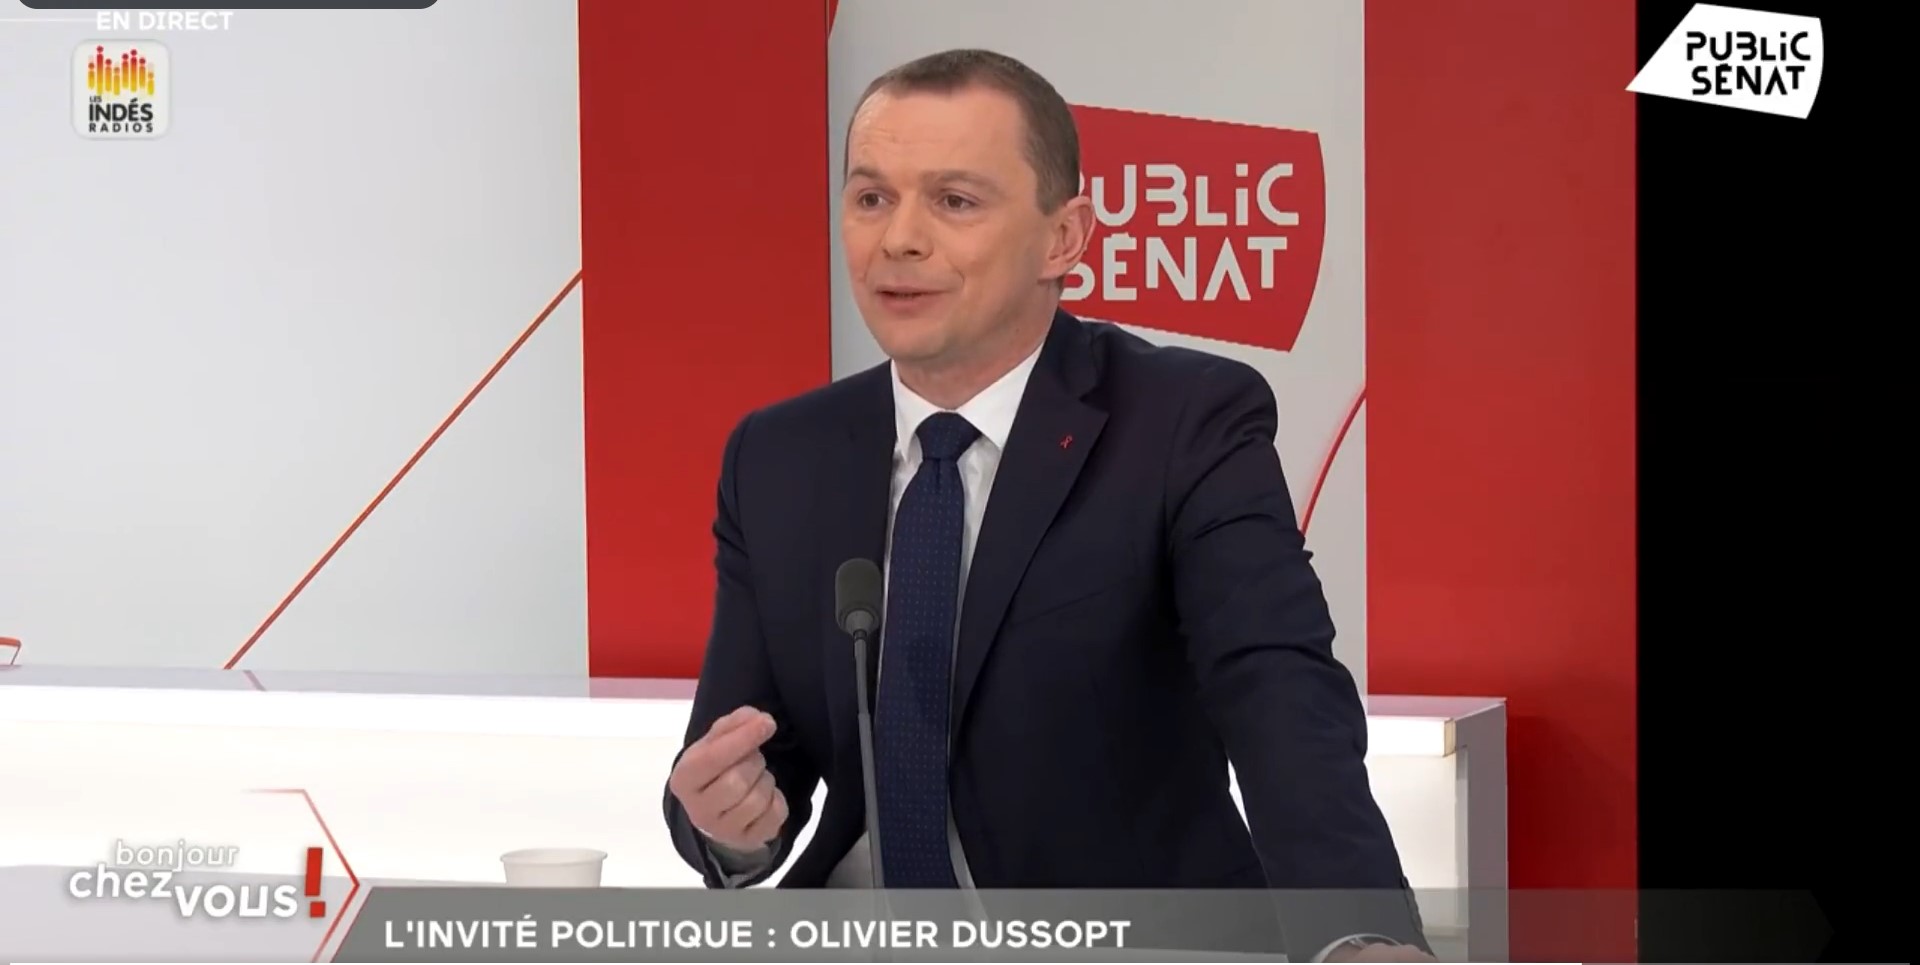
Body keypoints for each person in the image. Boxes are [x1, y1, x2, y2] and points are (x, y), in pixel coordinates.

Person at [663, 48, 1434, 962]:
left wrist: (1356, 935)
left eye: (955, 201)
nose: (898, 239)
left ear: (1064, 238)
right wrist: (728, 825)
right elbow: (747, 761)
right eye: (871, 198)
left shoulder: (1184, 423)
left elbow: (1278, 692)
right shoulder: (779, 455)